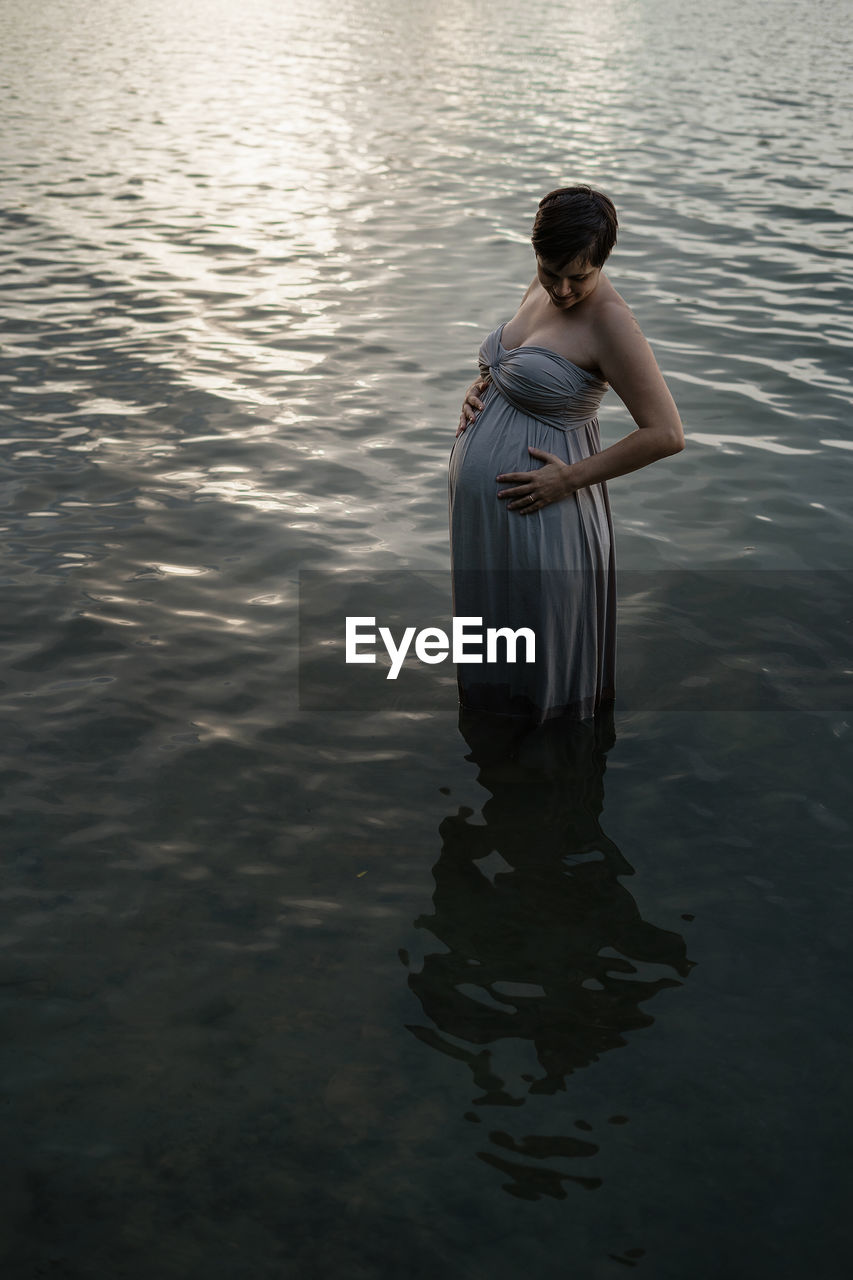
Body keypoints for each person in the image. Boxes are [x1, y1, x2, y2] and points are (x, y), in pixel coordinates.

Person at [448, 185, 684, 724]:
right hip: (489, 522)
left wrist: (569, 480)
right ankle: (496, 765)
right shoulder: (544, 282)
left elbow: (667, 433)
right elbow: (520, 354)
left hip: (544, 514)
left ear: (602, 261)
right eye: (551, 270)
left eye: (579, 276)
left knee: (542, 666)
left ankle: (554, 781)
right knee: (493, 656)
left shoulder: (611, 323)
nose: (562, 288)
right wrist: (483, 382)